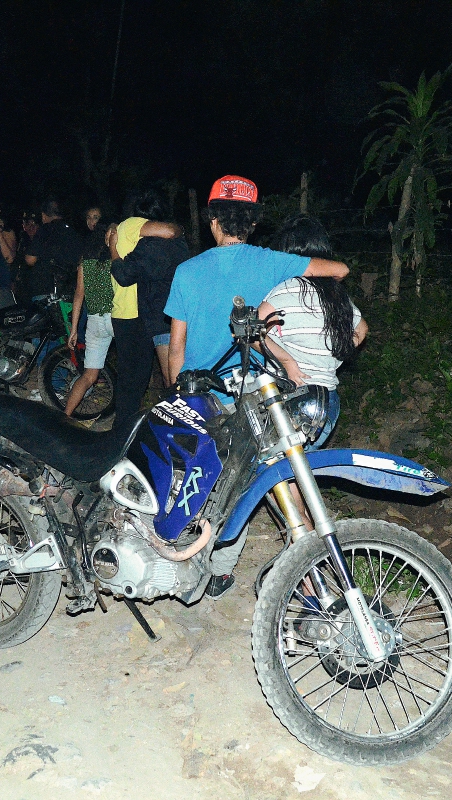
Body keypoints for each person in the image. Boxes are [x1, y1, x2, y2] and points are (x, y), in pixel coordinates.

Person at [164, 175, 349, 599]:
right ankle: (305, 570)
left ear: (212, 221)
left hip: (203, 394)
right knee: (266, 481)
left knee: (209, 481)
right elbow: (338, 270)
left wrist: (179, 395)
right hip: (255, 395)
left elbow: (177, 347)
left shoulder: (187, 272)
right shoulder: (271, 262)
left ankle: (203, 563)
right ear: (251, 224)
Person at [259, 214, 367, 449]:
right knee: (299, 470)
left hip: (290, 398)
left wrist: (287, 360)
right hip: (327, 402)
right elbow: (362, 328)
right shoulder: (337, 295)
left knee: (279, 472)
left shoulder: (284, 291)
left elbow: (252, 333)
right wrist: (336, 351)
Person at [108, 191, 183, 429]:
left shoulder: (123, 231)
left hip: (129, 311)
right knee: (144, 377)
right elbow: (171, 231)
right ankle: (126, 429)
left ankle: (128, 427)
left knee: (139, 377)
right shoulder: (133, 226)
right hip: (139, 312)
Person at [63, 223, 116, 417]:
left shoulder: (86, 263)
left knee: (88, 375)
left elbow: (79, 295)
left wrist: (74, 328)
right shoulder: (115, 259)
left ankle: (65, 416)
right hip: (116, 317)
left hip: (94, 321)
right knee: (130, 369)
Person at [23, 199, 81, 299]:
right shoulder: (72, 231)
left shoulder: (44, 230)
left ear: (43, 215)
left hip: (45, 290)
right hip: (70, 290)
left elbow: (30, 259)